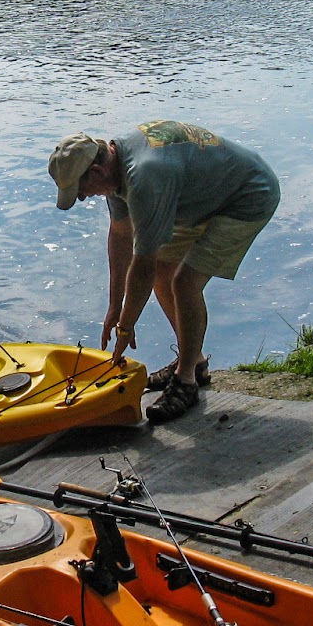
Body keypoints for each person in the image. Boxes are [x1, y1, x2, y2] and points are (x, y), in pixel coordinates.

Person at [49, 121, 280, 424]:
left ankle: (186, 382)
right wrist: (114, 307)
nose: (81, 198)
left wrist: (126, 326)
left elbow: (142, 264)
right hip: (197, 198)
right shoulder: (114, 167)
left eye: (81, 189)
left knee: (185, 283)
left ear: (96, 171)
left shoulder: (144, 176)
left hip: (246, 195)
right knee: (164, 275)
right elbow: (120, 236)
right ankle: (193, 360)